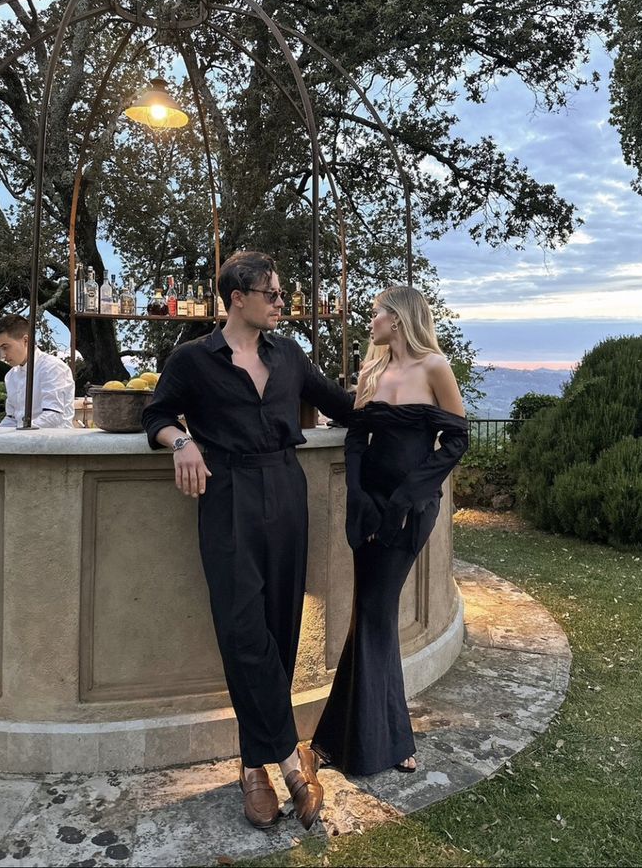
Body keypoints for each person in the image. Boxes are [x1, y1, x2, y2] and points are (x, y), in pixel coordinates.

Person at [141, 251, 353, 831]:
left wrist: (416, 407)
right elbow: (155, 414)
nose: (282, 303)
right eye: (273, 294)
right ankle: (285, 760)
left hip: (287, 488)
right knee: (242, 628)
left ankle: (251, 763)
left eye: (281, 294)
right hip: (228, 492)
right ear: (238, 297)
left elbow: (341, 405)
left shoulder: (289, 354)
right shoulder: (191, 359)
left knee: (281, 625)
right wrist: (180, 442)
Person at [311, 285, 469, 776]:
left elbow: (455, 440)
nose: (370, 320)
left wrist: (404, 499)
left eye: (376, 313)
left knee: (375, 611)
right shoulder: (372, 369)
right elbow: (357, 437)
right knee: (368, 612)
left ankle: (381, 738)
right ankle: (352, 737)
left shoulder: (435, 368)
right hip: (369, 504)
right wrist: (357, 495)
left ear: (398, 318)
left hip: (410, 507)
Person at [0, 314, 75, 429]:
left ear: (26, 340)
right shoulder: (10, 376)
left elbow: (54, 416)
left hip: (54, 442)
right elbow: (12, 418)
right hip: (23, 441)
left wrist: (17, 435)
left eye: (5, 347)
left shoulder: (52, 368)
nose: (2, 356)